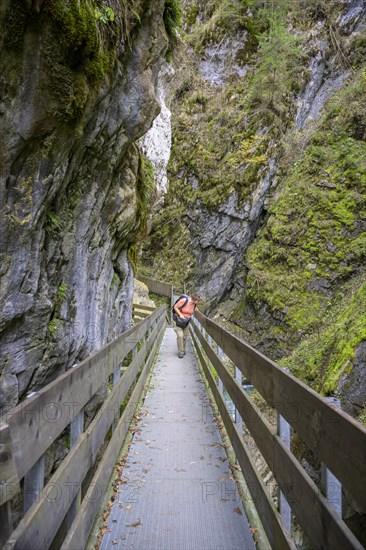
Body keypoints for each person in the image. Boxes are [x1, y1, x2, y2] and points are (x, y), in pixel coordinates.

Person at [172, 294, 201, 358]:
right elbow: (175, 307)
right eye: (198, 301)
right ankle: (180, 352)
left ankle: (183, 349)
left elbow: (196, 311)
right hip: (178, 321)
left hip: (186, 322)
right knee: (180, 336)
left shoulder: (194, 305)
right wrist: (180, 315)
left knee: (184, 337)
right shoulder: (184, 301)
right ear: (194, 300)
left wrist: (200, 315)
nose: (198, 302)